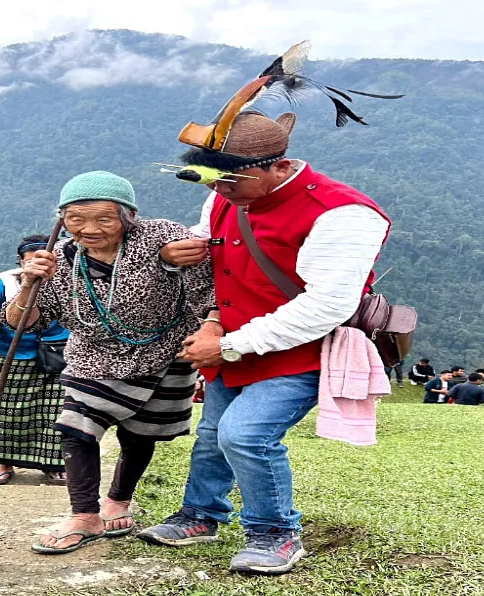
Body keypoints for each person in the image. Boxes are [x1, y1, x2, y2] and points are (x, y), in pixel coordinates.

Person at [142, 58, 394, 574]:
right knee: (213, 433)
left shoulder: (343, 213)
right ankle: (201, 514)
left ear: (279, 166)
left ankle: (275, 532)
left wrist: (229, 344)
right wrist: (210, 313)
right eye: (210, 182)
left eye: (229, 182)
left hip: (301, 349)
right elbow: (228, 267)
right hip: (231, 340)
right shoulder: (226, 198)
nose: (218, 193)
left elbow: (328, 305)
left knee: (245, 434)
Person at [5, 171, 215, 555]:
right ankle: (84, 516)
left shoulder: (162, 236)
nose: (90, 229)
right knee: (76, 426)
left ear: (128, 215)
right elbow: (23, 323)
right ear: (62, 220)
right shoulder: (57, 260)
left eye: (105, 219)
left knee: (140, 433)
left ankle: (118, 501)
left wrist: (209, 325)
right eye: (76, 220)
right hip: (93, 355)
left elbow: (207, 284)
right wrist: (29, 285)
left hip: (164, 351)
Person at [0, 235, 70, 485]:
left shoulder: (70, 281)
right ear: (21, 261)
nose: (38, 266)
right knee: (9, 412)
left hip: (61, 355)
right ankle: (5, 462)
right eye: (30, 261)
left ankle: (54, 464)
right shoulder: (2, 284)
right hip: (15, 356)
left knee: (57, 413)